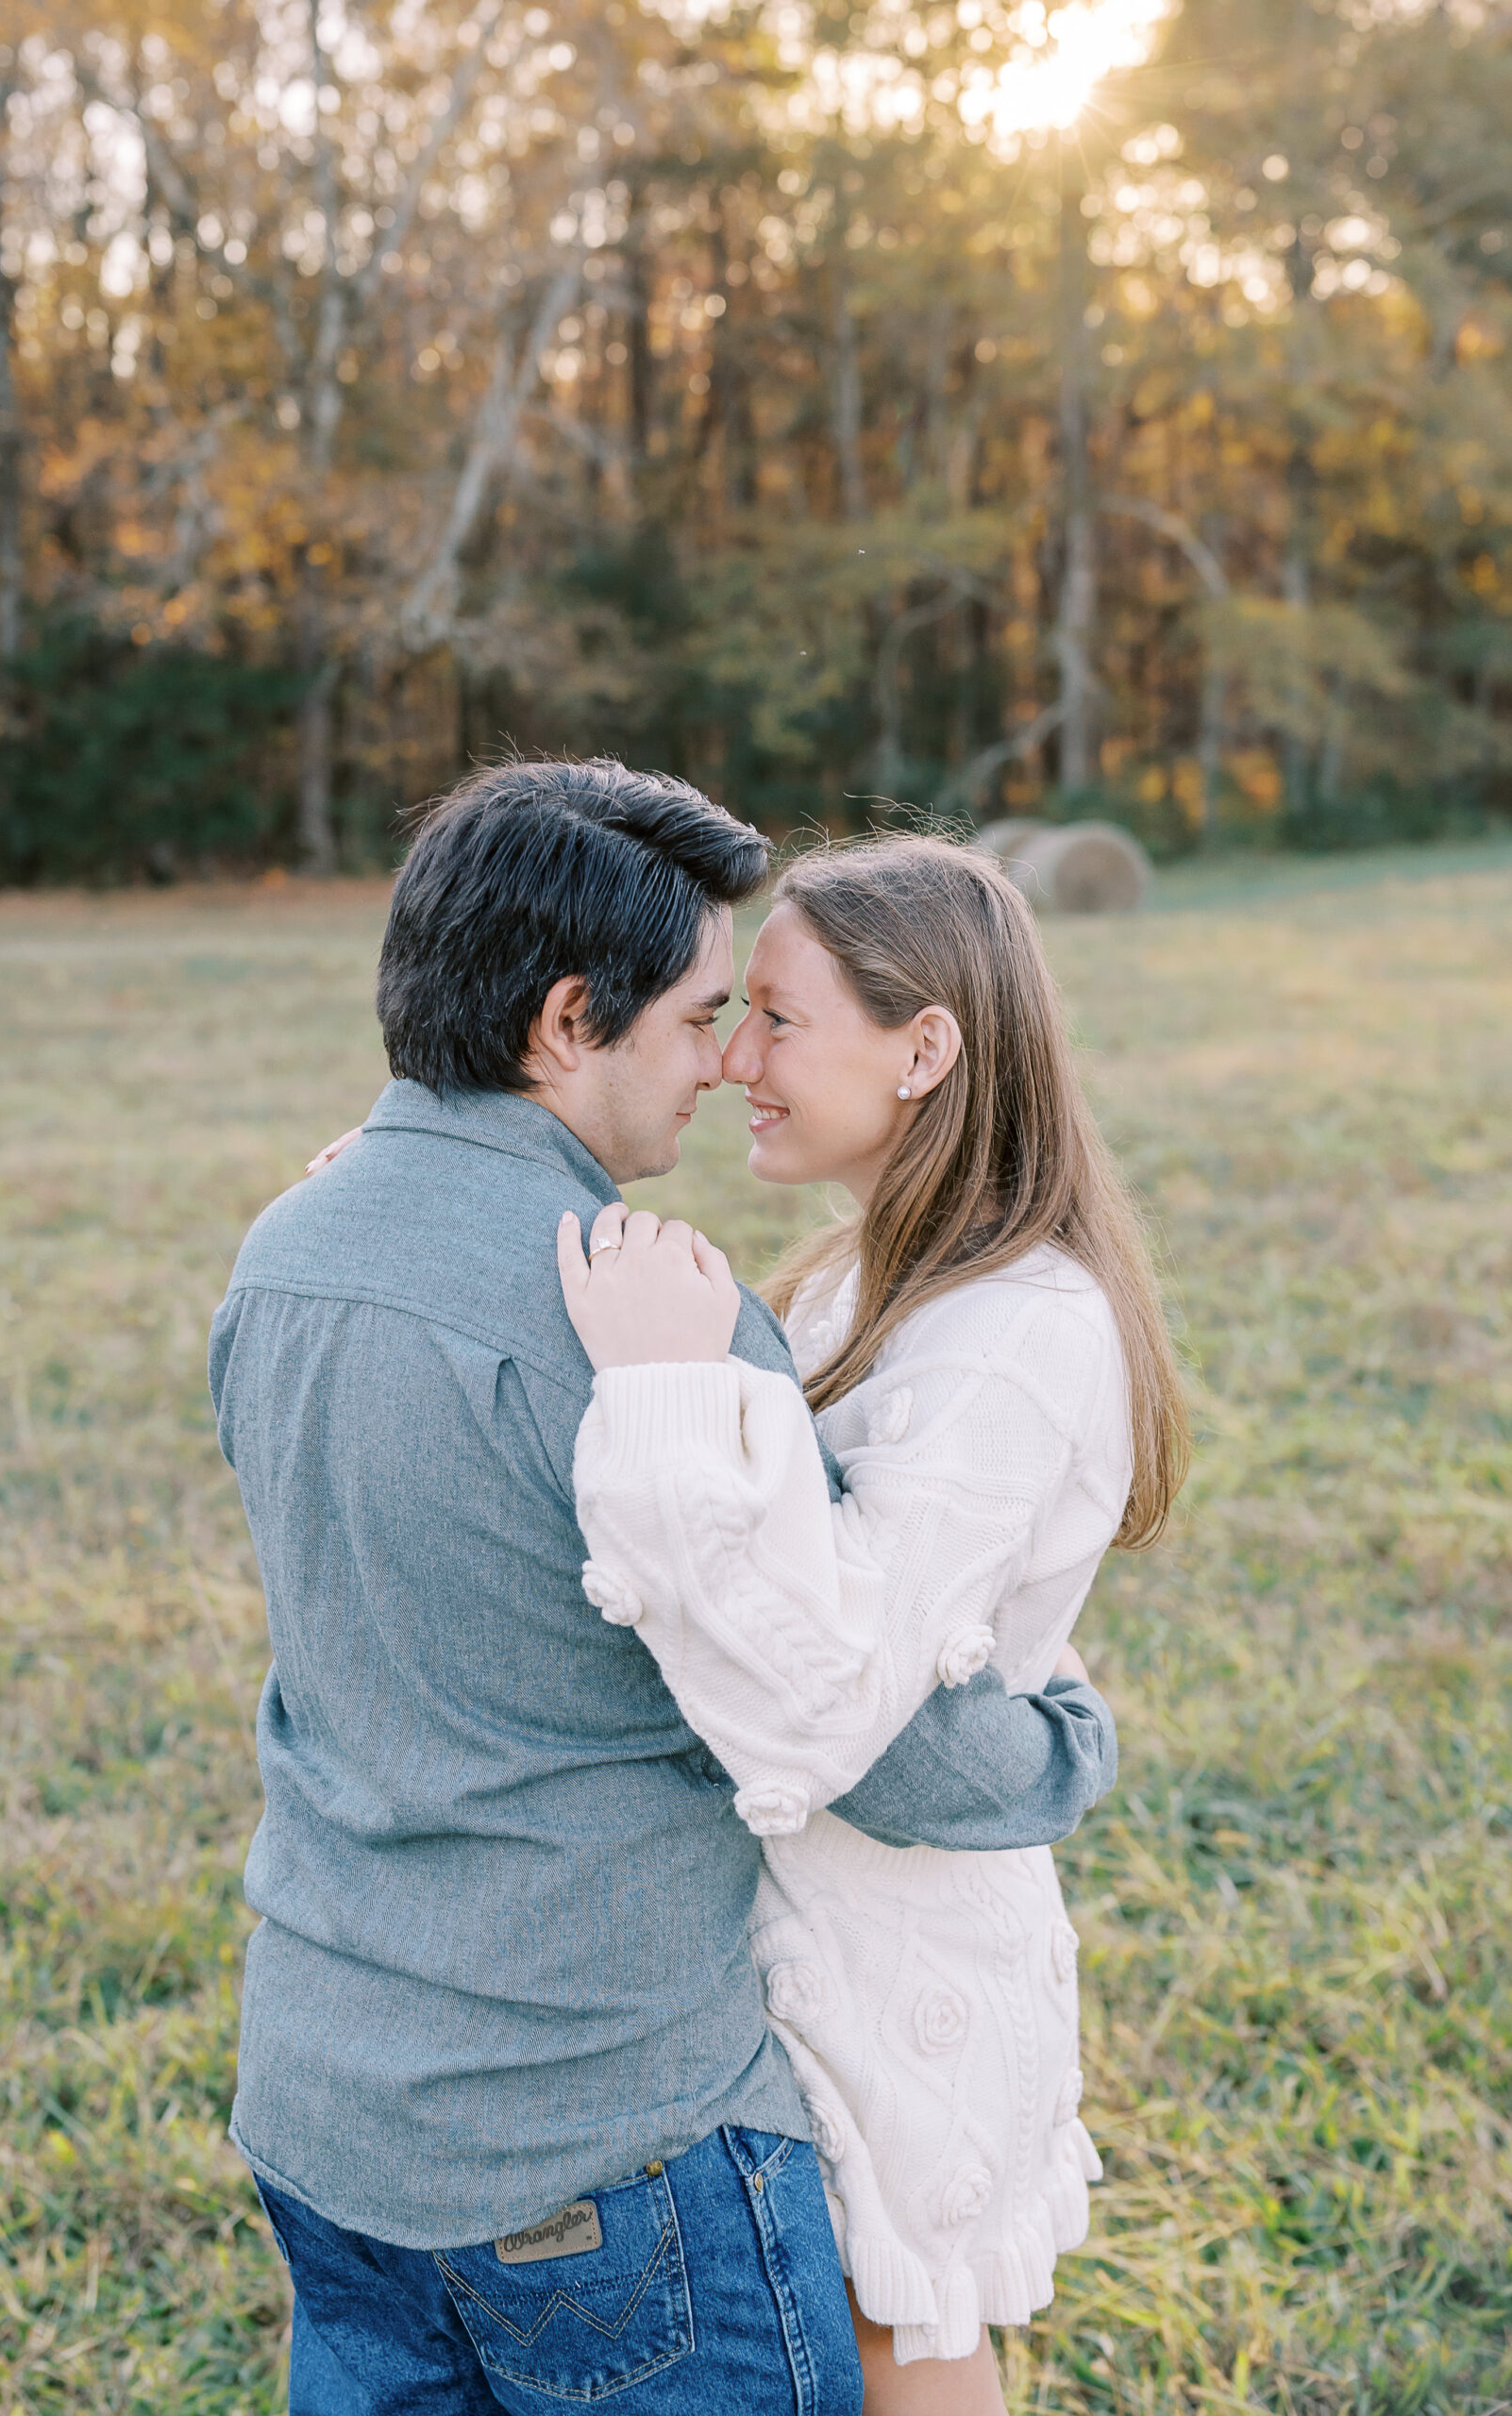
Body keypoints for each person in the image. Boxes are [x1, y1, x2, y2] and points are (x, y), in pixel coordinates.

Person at [210, 761, 1120, 2416]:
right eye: (707, 1016)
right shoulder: (661, 1342)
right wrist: (1055, 1739)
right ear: (572, 1021)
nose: (723, 1061)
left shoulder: (285, 1249)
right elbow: (866, 1726)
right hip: (593, 2134)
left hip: (322, 2101)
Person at [554, 835, 1190, 2413]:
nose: (734, 1062)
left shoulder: (1013, 1338)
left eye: (778, 1019)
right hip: (802, 1919)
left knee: (903, 2335)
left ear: (925, 1048)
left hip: (898, 1948)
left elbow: (833, 1686)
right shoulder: (860, 1276)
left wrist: (667, 1390)